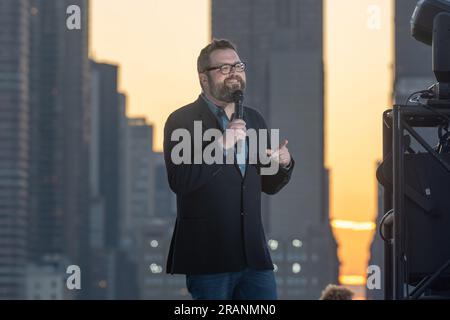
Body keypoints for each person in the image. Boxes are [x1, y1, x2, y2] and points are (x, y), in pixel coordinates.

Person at [163, 39, 295, 300]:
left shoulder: (254, 119)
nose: (234, 72)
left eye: (238, 66)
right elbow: (180, 181)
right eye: (224, 68)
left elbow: (269, 185)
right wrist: (220, 146)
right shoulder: (182, 120)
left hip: (254, 258)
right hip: (208, 258)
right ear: (204, 78)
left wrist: (284, 163)